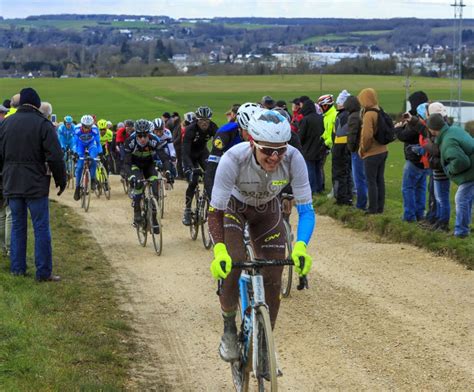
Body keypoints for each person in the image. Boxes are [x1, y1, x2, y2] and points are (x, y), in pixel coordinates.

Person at [208, 108, 314, 362]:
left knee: (274, 275)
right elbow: (215, 212)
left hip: (267, 209)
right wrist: (219, 250)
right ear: (252, 142)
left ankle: (265, 342)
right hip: (234, 207)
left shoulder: (295, 159)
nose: (275, 157)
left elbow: (307, 210)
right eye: (267, 150)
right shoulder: (233, 159)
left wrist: (300, 246)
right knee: (234, 261)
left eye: (281, 149)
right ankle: (229, 330)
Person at [0, 87, 66, 281]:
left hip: (11, 182)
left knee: (18, 227)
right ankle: (43, 272)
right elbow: (55, 156)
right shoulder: (43, 124)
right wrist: (61, 180)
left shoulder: (6, 124)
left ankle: (17, 269)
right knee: (41, 228)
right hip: (36, 184)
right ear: (37, 104)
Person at [426, 113, 474, 239]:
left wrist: (449, 170)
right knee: (466, 198)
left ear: (433, 129)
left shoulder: (447, 142)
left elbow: (462, 162)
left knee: (461, 198)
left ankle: (461, 232)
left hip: (471, 172)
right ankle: (465, 228)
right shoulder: (454, 129)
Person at [204, 103, 255, 198]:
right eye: (248, 130)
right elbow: (211, 170)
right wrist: (214, 200)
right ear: (240, 127)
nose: (253, 136)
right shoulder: (225, 133)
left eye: (256, 131)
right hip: (226, 164)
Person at [394, 91, 430, 222]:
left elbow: (405, 136)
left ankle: (409, 216)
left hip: (414, 159)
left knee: (408, 188)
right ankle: (420, 214)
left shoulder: (416, 118)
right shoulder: (429, 117)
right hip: (426, 160)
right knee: (421, 188)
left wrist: (398, 129)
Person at [181, 106, 218, 226]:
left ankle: (209, 202)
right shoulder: (190, 129)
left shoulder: (213, 127)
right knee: (193, 180)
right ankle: (187, 210)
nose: (204, 123)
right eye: (201, 120)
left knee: (211, 174)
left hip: (202, 153)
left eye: (206, 120)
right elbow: (185, 151)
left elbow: (219, 144)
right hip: (190, 155)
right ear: (197, 120)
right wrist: (191, 168)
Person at [123, 119, 161, 232]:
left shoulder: (154, 140)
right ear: (136, 134)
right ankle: (137, 213)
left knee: (155, 190)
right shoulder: (130, 142)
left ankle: (154, 219)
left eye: (145, 135)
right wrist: (131, 176)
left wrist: (168, 170)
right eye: (140, 136)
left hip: (149, 166)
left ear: (149, 134)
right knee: (138, 184)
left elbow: (163, 156)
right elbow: (126, 163)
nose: (143, 139)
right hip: (135, 166)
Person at [358, 88, 388, 214]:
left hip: (372, 152)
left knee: (371, 181)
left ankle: (372, 209)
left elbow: (367, 135)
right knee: (379, 180)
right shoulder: (379, 110)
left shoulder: (369, 114)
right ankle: (380, 207)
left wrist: (363, 149)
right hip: (383, 150)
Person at [298, 98, 325, 195]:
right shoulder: (320, 118)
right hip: (320, 147)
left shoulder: (306, 120)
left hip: (308, 148)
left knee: (310, 169)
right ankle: (319, 188)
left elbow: (301, 136)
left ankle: (313, 189)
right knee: (318, 168)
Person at [345, 95, 368, 210]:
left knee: (358, 178)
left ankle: (361, 204)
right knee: (364, 177)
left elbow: (352, 135)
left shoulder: (353, 117)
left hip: (356, 151)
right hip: (364, 150)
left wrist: (350, 148)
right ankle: (365, 201)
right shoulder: (361, 114)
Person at [73, 115, 102, 201]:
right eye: (85, 127)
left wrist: (100, 152)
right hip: (80, 145)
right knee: (79, 167)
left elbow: (98, 142)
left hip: (91, 144)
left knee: (93, 159)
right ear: (82, 125)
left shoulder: (94, 129)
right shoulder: (77, 129)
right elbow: (74, 143)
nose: (87, 129)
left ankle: (93, 179)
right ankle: (77, 188)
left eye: (89, 127)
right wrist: (75, 153)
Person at [332, 90, 353, 205]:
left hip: (340, 148)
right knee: (347, 172)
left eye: (339, 102)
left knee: (340, 173)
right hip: (346, 148)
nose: (337, 104)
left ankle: (341, 198)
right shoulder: (349, 114)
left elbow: (338, 134)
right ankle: (348, 196)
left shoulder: (341, 116)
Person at [317, 94, 337, 192]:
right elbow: (327, 132)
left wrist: (326, 143)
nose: (320, 109)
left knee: (338, 170)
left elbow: (334, 134)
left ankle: (336, 191)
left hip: (335, 146)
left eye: (320, 106)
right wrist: (321, 138)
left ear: (325, 106)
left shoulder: (334, 115)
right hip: (330, 146)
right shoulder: (326, 116)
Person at [152, 117, 176, 186]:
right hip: (154, 148)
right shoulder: (150, 134)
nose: (159, 133)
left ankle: (168, 174)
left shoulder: (167, 132)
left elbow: (171, 147)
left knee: (169, 158)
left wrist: (173, 157)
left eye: (161, 131)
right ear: (153, 130)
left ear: (164, 129)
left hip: (163, 147)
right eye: (156, 131)